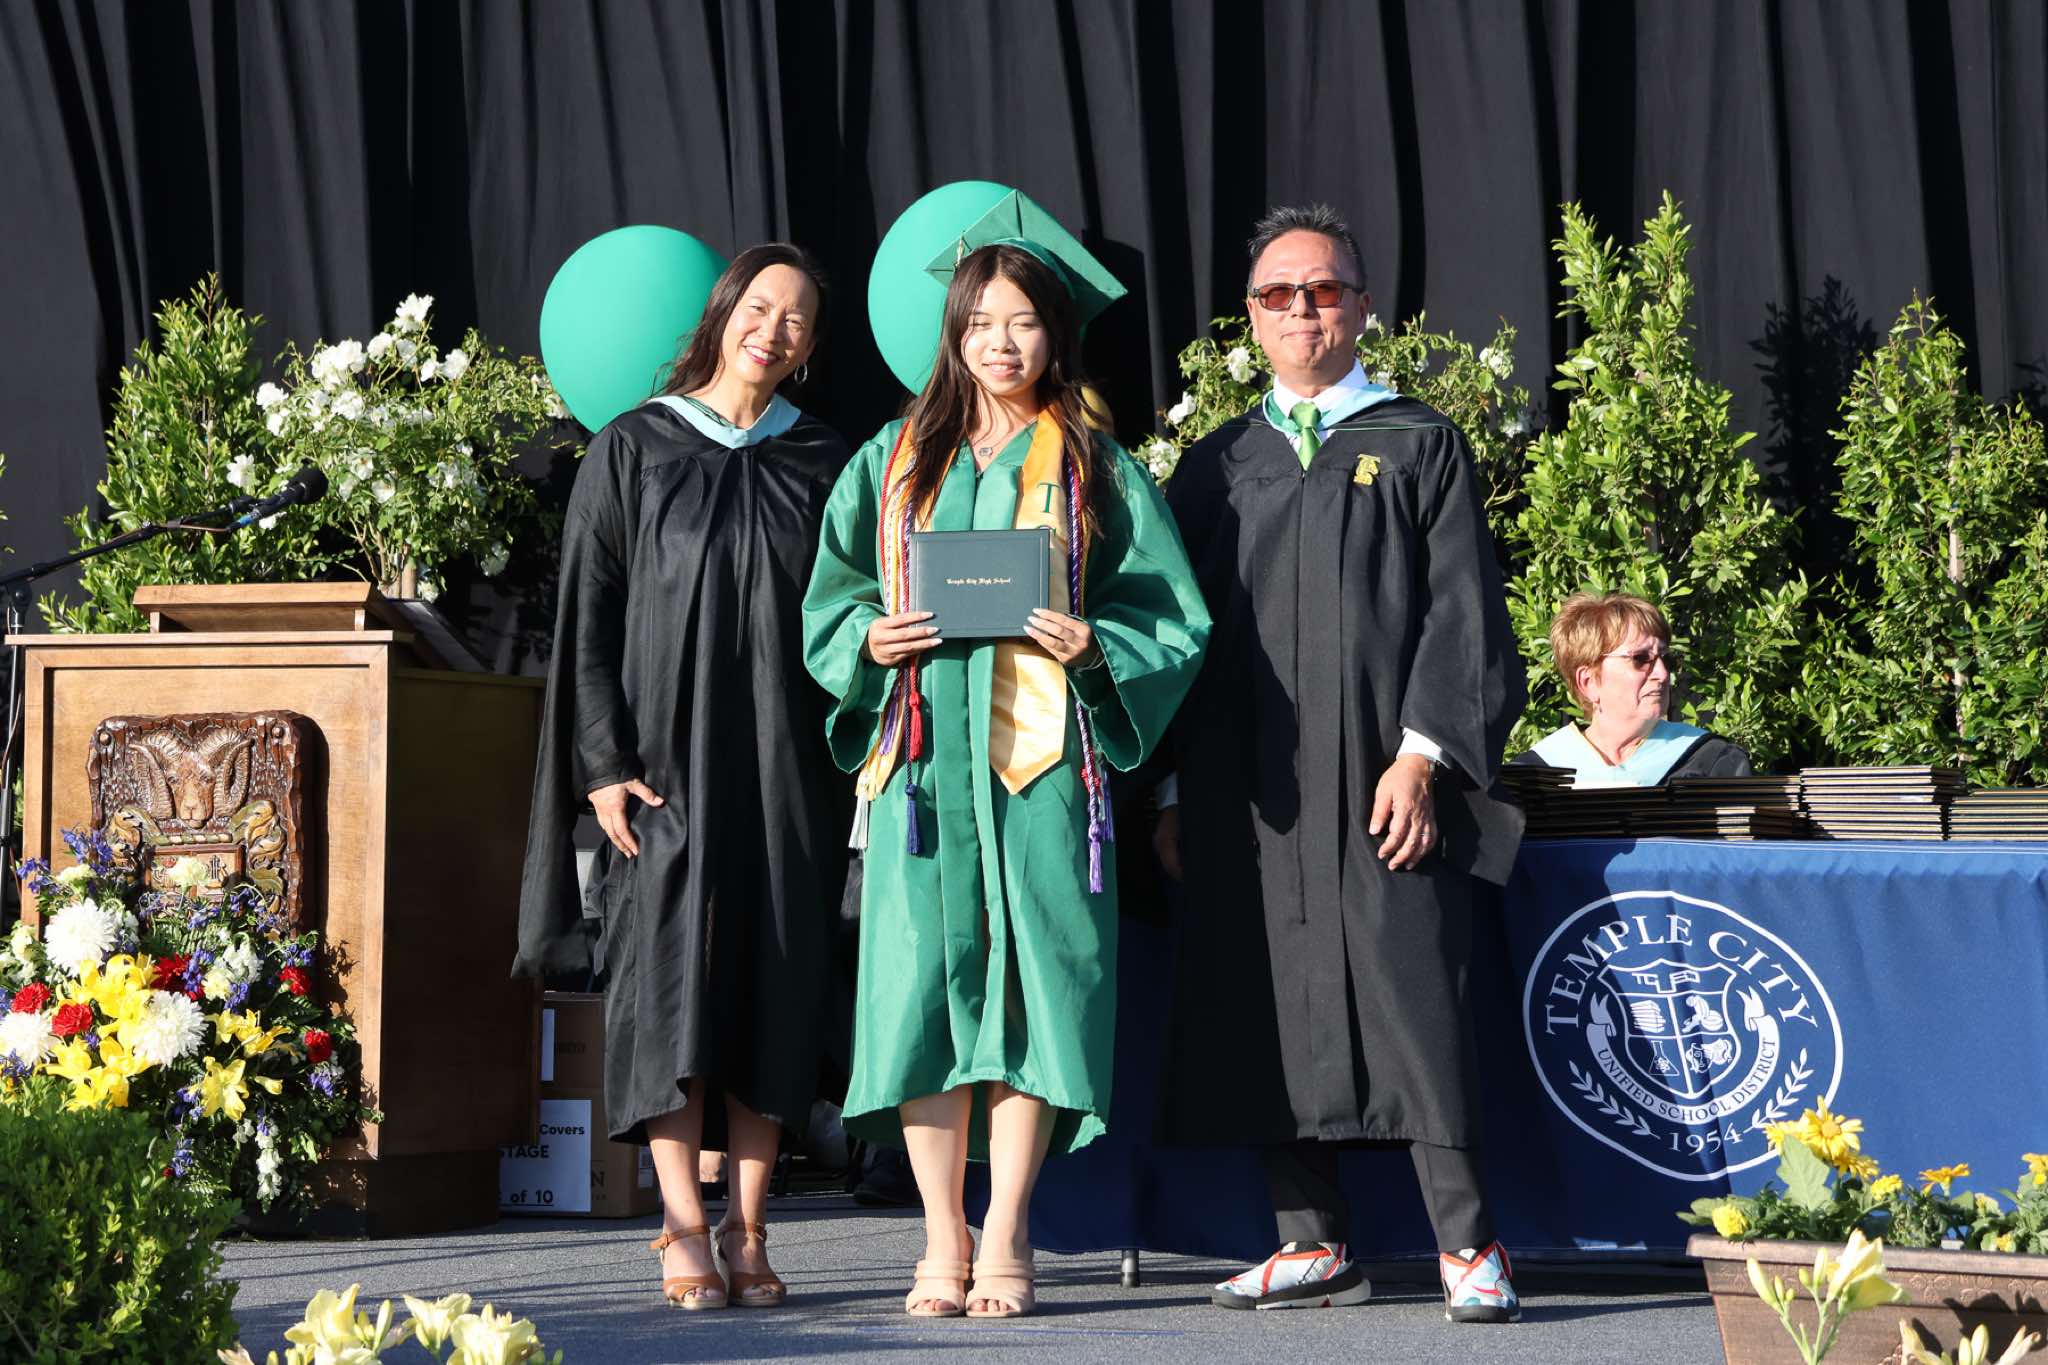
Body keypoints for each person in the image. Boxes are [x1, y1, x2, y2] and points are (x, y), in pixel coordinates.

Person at [802, 237, 1209, 1319]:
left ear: (1054, 335)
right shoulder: (895, 459)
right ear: (953, 333)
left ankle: (1010, 1227)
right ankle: (941, 1235)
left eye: (1022, 321)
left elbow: (1169, 612)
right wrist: (867, 639)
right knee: (919, 995)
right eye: (979, 321)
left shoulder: (1092, 466)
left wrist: (1097, 644)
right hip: (922, 766)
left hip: (1040, 770)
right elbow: (832, 597)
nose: (1000, 342)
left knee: (1037, 991)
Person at [1154, 204, 1526, 1322]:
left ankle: (1469, 1245)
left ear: (1361, 308)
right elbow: (1173, 638)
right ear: (1252, 318)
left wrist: (1422, 757)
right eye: (1279, 294)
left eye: (1323, 290)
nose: (1302, 309)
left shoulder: (1418, 442)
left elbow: (1462, 614)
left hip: (1382, 776)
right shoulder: (1217, 466)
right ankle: (1309, 1241)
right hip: (1249, 793)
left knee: (1414, 995)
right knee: (1265, 1000)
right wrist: (1169, 788)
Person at [514, 244, 852, 1311]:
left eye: (797, 318)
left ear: (810, 346)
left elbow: (853, 612)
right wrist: (602, 766)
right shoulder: (635, 447)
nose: (773, 329)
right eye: (759, 306)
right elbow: (588, 620)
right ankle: (681, 1222)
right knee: (668, 988)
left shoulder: (825, 461)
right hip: (663, 770)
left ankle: (749, 1226)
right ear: (722, 312)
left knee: (774, 987)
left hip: (790, 772)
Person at [1513, 591, 1752, 785]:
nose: (1662, 674)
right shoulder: (1534, 777)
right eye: (1640, 659)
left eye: (1666, 658)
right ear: (1589, 682)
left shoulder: (1712, 763)